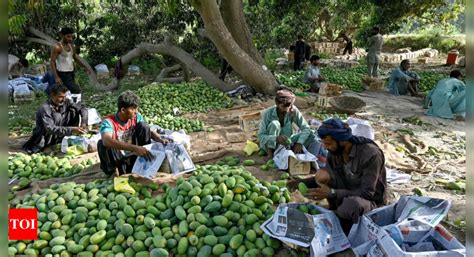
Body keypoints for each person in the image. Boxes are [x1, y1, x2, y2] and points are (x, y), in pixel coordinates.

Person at [304, 118, 387, 234]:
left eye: (328, 143)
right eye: (323, 143)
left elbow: (367, 193)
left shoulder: (370, 154)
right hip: (347, 190)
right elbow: (329, 175)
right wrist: (301, 183)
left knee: (351, 205)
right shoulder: (335, 152)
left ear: (342, 141)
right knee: (322, 175)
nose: (325, 148)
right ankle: (335, 212)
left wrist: (332, 192)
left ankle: (342, 224)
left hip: (369, 201)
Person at [98, 90, 170, 176]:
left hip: (135, 157)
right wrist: (135, 148)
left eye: (136, 108)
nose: (136, 111)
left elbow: (148, 131)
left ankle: (145, 161)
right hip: (118, 158)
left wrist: (158, 138)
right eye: (133, 109)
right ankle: (113, 172)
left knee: (144, 126)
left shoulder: (136, 117)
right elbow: (107, 141)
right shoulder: (109, 122)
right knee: (102, 143)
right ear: (123, 110)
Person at [23, 84, 88, 154]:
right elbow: (50, 128)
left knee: (74, 111)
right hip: (47, 136)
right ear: (52, 95)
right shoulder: (45, 108)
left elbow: (83, 109)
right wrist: (72, 129)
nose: (63, 99)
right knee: (41, 148)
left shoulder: (66, 101)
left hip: (61, 132)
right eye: (60, 97)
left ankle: (64, 137)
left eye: (64, 96)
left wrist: (83, 122)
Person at [257, 89, 320, 159]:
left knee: (312, 134)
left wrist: (299, 142)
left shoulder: (292, 110)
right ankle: (270, 154)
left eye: (288, 107)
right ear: (277, 104)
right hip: (271, 145)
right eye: (283, 107)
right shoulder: (268, 113)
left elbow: (306, 128)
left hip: (287, 143)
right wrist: (276, 138)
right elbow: (260, 136)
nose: (286, 109)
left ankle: (305, 157)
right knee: (275, 124)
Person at [51, 27, 90, 95]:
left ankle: (70, 104)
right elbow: (52, 62)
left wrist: (84, 67)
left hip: (71, 72)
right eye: (68, 36)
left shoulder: (71, 46)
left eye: (71, 36)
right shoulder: (57, 47)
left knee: (68, 92)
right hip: (62, 73)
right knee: (76, 90)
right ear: (62, 35)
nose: (70, 39)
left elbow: (75, 58)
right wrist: (56, 77)